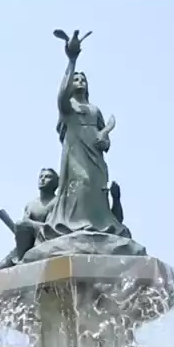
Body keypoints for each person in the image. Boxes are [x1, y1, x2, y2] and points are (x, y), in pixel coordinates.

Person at [45, 30, 130, 239]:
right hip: (76, 154)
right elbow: (61, 95)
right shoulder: (68, 107)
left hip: (95, 159)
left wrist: (105, 137)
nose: (80, 81)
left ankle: (97, 226)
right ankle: (73, 227)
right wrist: (72, 60)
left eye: (83, 79)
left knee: (95, 187)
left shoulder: (94, 109)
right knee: (80, 184)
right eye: (76, 79)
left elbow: (105, 137)